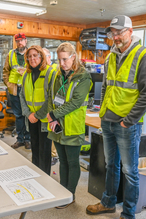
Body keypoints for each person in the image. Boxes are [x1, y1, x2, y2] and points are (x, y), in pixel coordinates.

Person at [85, 15, 146, 219]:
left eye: (119, 32)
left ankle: (128, 215)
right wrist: (102, 111)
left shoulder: (144, 56)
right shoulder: (110, 57)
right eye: (112, 33)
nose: (115, 37)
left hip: (127, 124)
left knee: (130, 170)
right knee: (110, 165)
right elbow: (107, 86)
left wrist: (129, 120)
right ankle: (108, 202)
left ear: (130, 31)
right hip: (107, 120)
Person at [47, 42, 92, 209]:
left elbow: (75, 102)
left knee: (72, 162)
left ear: (74, 57)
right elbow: (52, 97)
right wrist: (53, 118)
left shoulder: (84, 77)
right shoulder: (58, 75)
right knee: (63, 161)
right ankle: (63, 192)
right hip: (58, 126)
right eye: (59, 60)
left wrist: (53, 115)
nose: (62, 63)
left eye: (65, 59)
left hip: (72, 126)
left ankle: (70, 195)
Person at [19, 45, 55, 174]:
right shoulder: (26, 75)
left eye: (35, 55)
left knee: (44, 151)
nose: (32, 58)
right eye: (29, 56)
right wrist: (28, 114)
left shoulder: (50, 73)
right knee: (35, 148)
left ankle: (45, 178)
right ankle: (36, 176)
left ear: (41, 56)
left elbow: (52, 98)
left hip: (45, 118)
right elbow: (21, 95)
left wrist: (38, 115)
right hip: (31, 118)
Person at [3, 33, 31, 149]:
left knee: (28, 115)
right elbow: (5, 71)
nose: (20, 43)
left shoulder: (31, 54)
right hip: (15, 90)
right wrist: (9, 85)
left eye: (22, 40)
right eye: (17, 41)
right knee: (19, 116)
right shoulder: (10, 54)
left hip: (28, 90)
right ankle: (20, 139)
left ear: (26, 41)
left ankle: (28, 140)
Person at [42, 47, 59, 166]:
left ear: (49, 58)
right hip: (43, 106)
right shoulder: (42, 70)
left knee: (52, 130)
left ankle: (53, 155)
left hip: (54, 105)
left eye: (43, 57)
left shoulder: (55, 69)